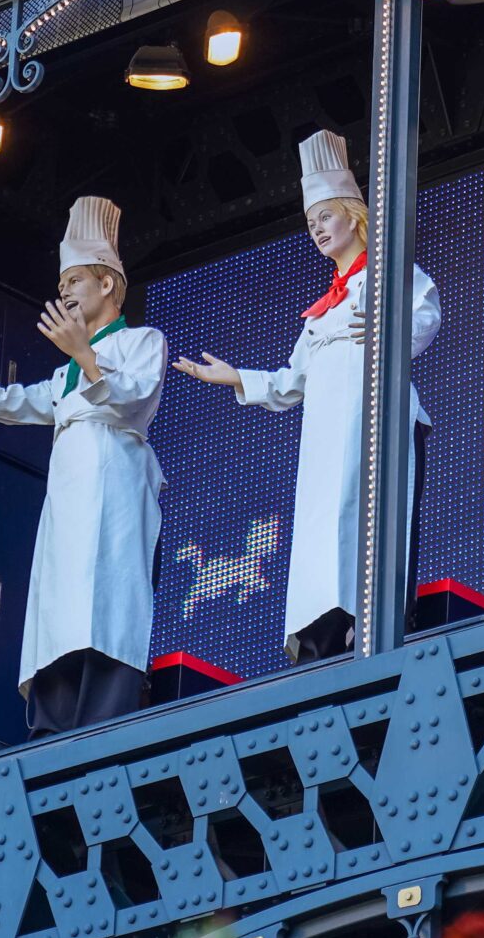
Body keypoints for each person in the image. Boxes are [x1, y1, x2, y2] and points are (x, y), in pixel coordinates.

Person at [172, 131, 442, 662]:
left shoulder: (389, 274)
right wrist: (236, 378)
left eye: (325, 216)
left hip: (375, 420)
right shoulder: (320, 313)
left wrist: (389, 329)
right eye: (310, 221)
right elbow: (292, 381)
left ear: (353, 216)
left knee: (371, 513)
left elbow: (426, 316)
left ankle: (373, 618)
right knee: (324, 527)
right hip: (324, 436)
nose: (317, 229)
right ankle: (322, 630)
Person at [0, 195, 166, 734]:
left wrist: (85, 355)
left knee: (108, 606)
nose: (66, 292)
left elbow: (133, 400)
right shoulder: (63, 378)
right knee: (60, 606)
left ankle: (106, 713)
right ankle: (52, 721)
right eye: (62, 284)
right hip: (68, 503)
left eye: (75, 280)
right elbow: (10, 403)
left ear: (106, 284)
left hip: (116, 487)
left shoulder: (142, 342)